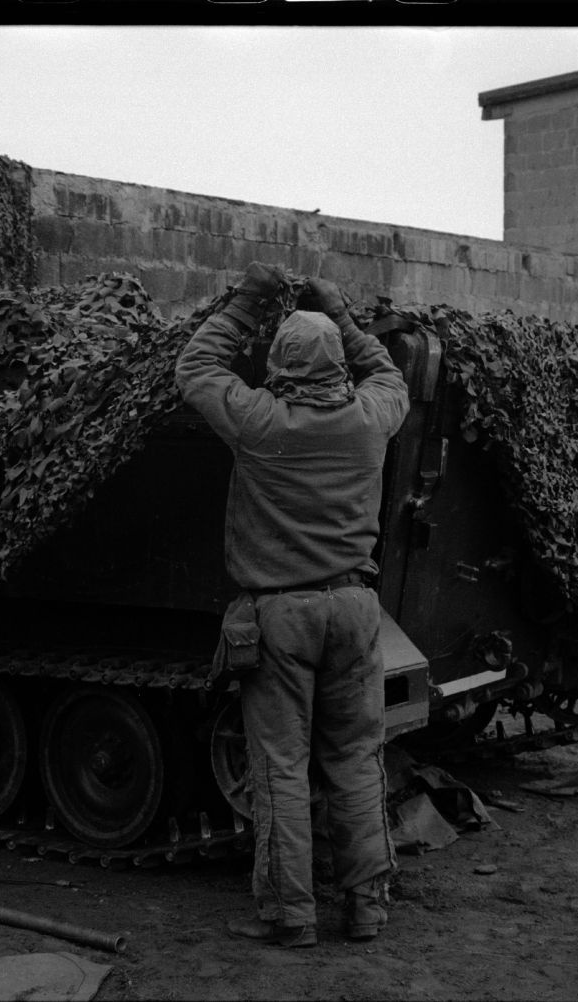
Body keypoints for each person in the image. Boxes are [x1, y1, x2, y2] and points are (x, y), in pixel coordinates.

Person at [175, 261, 410, 948]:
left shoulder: (259, 421)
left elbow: (196, 368)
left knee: (280, 768)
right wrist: (340, 311)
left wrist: (247, 301)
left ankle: (292, 915)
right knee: (356, 762)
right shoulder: (371, 420)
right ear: (338, 361)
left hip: (279, 617)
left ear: (277, 364)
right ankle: (367, 910)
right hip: (356, 612)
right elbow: (389, 374)